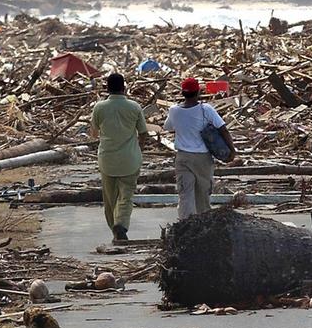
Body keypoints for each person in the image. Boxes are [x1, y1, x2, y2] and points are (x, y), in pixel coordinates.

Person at [164, 78, 236, 219]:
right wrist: (232, 150)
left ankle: (184, 225)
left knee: (185, 194)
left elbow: (167, 127)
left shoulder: (174, 110)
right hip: (202, 158)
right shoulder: (205, 109)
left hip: (183, 157)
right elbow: (223, 129)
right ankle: (203, 226)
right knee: (202, 195)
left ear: (182, 93)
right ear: (198, 92)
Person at [90, 73, 148, 241]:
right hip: (130, 159)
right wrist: (138, 148)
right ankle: (120, 224)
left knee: (110, 199)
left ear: (107, 88)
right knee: (126, 196)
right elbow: (143, 133)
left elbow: (94, 133)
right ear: (124, 87)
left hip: (107, 159)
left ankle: (115, 229)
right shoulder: (134, 107)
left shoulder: (99, 107)